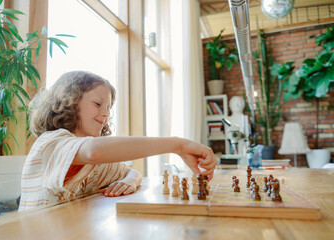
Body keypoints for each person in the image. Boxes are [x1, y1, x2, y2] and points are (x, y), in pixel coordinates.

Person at [19, 71, 217, 211]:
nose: (105, 114)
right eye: (98, 104)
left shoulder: (95, 165)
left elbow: (129, 171)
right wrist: (178, 145)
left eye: (109, 108)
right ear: (69, 100)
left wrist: (130, 180)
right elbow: (94, 151)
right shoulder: (51, 143)